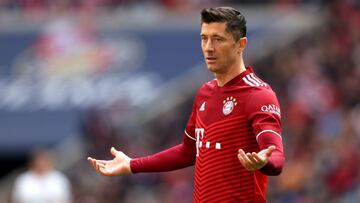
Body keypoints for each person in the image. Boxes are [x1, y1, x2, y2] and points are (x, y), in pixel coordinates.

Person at [88, 6, 285, 203]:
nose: (208, 47)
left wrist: (264, 162)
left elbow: (276, 155)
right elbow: (188, 151)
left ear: (240, 44)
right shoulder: (205, 93)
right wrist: (132, 164)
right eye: (204, 38)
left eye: (218, 39)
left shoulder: (258, 95)